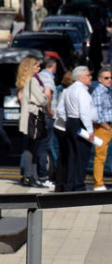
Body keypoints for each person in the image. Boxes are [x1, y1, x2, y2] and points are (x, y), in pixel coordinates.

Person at [16, 55, 50, 188]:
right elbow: (41, 100)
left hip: (29, 118)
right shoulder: (33, 81)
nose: (39, 68)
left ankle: (30, 176)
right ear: (31, 67)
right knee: (31, 147)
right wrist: (46, 95)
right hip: (33, 118)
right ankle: (30, 176)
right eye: (36, 65)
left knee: (30, 147)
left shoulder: (27, 80)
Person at [63, 66, 97, 192]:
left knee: (72, 154)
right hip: (80, 123)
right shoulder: (82, 91)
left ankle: (70, 184)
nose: (90, 77)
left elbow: (62, 108)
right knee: (82, 154)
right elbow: (84, 112)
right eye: (88, 75)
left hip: (71, 122)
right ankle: (79, 185)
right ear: (80, 77)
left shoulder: (69, 89)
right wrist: (90, 131)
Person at [91, 69, 112, 191]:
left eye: (110, 77)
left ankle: (100, 182)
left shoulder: (106, 92)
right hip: (101, 128)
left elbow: (105, 111)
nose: (110, 80)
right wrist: (106, 126)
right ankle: (98, 184)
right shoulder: (99, 93)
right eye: (106, 78)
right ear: (100, 79)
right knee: (100, 156)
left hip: (107, 126)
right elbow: (96, 115)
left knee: (103, 156)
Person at [36, 56, 57, 189]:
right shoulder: (49, 78)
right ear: (53, 66)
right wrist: (49, 110)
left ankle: (31, 173)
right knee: (44, 146)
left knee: (36, 145)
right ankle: (43, 176)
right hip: (47, 116)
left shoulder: (38, 76)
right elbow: (48, 94)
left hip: (38, 116)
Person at [53, 71, 74, 192]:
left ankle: (61, 184)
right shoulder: (67, 92)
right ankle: (62, 184)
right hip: (63, 128)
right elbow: (60, 111)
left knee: (64, 156)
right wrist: (68, 122)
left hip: (62, 127)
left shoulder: (65, 91)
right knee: (65, 156)